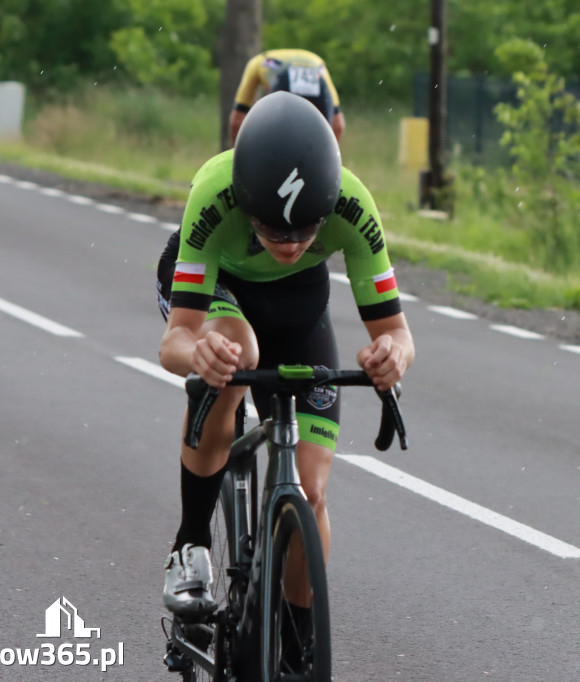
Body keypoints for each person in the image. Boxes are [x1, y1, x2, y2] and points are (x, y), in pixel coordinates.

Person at [157, 91, 414, 616]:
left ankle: (295, 645)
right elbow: (174, 342)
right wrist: (199, 352)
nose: (291, 243)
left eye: (307, 229)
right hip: (220, 287)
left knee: (312, 492)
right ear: (246, 203)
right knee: (238, 355)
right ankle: (191, 545)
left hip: (298, 305)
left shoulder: (353, 204)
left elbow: (398, 333)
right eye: (273, 229)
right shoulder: (214, 193)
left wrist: (392, 355)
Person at [228, 48, 346, 147]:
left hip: (280, 73)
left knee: (278, 139)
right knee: (323, 133)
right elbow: (338, 125)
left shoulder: (257, 62)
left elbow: (236, 122)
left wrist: (235, 155)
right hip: (315, 66)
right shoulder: (318, 60)